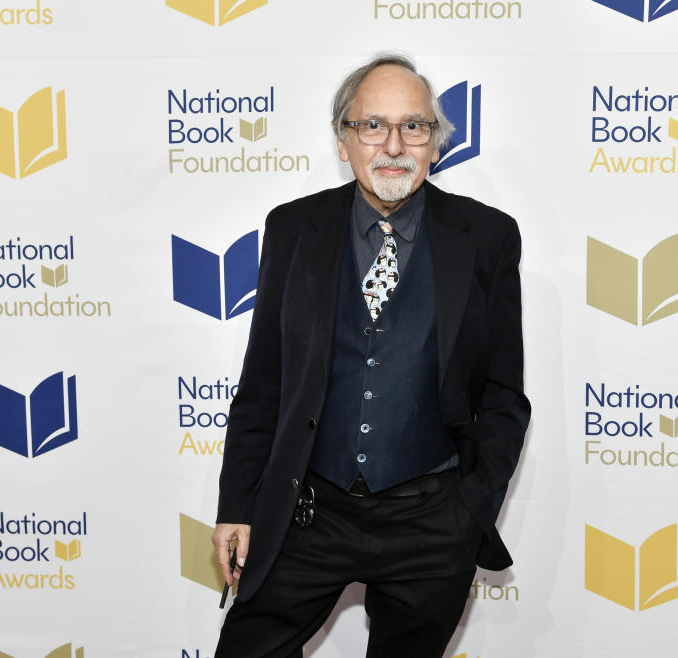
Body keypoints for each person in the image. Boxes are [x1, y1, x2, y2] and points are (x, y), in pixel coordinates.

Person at [211, 53, 530, 658]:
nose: (393, 144)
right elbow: (263, 384)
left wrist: (470, 511)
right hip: (308, 512)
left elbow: (503, 391)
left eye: (414, 126)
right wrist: (238, 505)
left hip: (432, 520)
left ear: (435, 144)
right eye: (372, 125)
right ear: (343, 140)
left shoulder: (488, 236)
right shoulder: (292, 228)